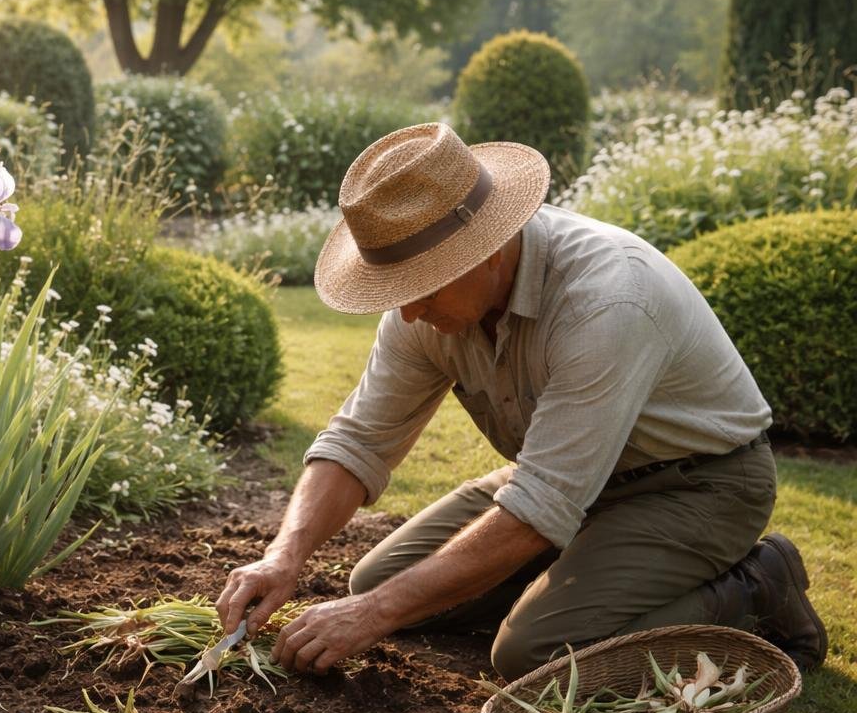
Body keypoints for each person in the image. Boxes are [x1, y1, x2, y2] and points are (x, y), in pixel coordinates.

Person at [216, 122, 827, 680]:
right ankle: (584, 584)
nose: (409, 310)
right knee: (376, 579)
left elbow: (541, 505)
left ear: (485, 248)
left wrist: (375, 614)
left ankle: (755, 587)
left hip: (699, 485)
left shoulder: (608, 300)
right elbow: (358, 441)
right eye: (395, 288)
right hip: (572, 482)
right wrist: (283, 556)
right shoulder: (422, 309)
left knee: (531, 653)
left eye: (420, 286)